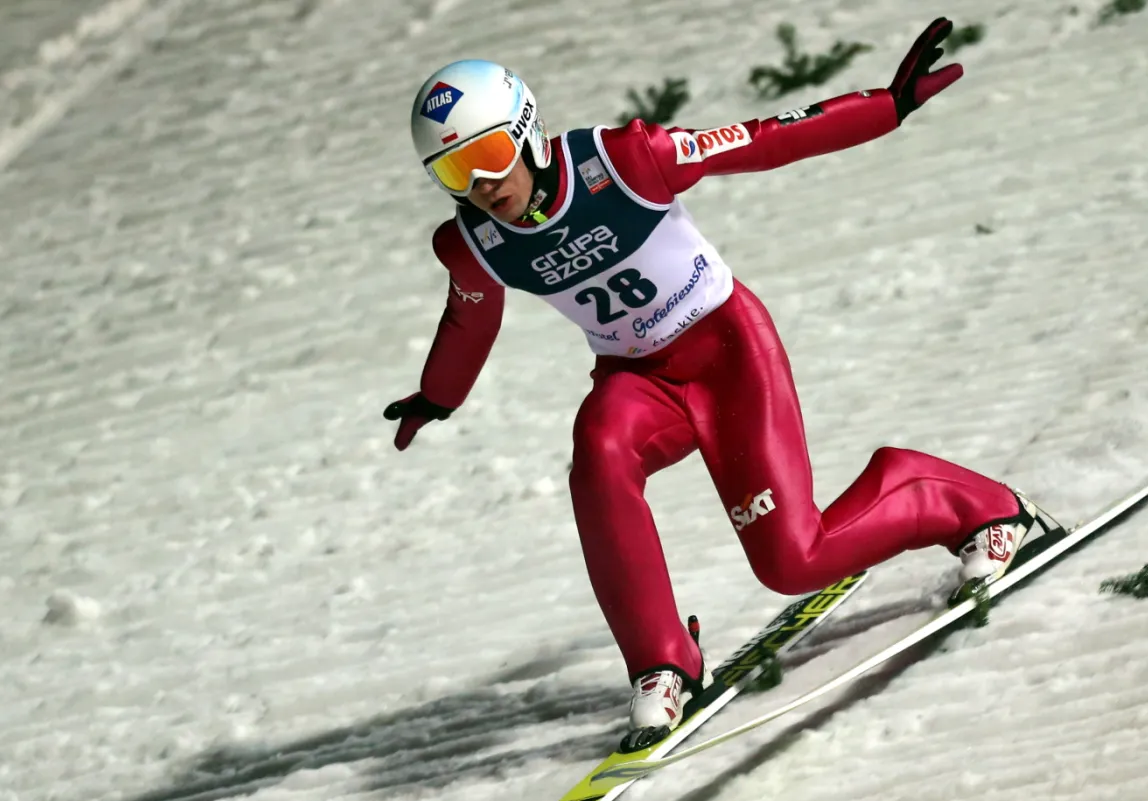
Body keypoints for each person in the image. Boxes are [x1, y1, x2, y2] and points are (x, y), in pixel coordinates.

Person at [387, 19, 1057, 750]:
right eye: (453, 173)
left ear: (526, 131)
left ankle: (982, 507)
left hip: (729, 355)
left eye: (486, 155)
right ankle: (662, 664)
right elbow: (469, 317)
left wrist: (886, 105)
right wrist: (439, 395)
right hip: (641, 384)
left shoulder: (627, 160)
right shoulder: (471, 241)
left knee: (793, 564)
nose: (481, 186)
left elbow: (764, 138)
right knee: (599, 444)